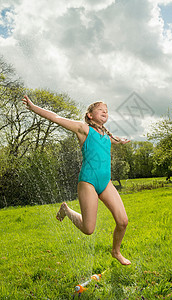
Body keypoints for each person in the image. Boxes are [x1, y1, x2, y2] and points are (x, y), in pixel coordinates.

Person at [22, 95, 131, 265]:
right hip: (88, 182)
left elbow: (111, 141)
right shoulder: (83, 129)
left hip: (106, 183)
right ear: (90, 115)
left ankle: (116, 251)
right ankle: (66, 210)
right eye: (100, 109)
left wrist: (121, 141)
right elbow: (56, 118)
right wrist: (33, 107)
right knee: (88, 229)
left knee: (123, 221)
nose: (105, 112)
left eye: (107, 111)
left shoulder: (106, 136)